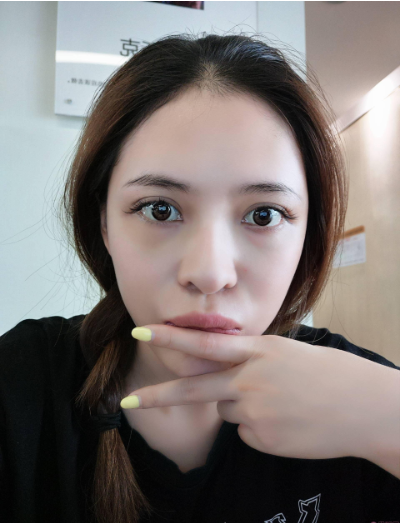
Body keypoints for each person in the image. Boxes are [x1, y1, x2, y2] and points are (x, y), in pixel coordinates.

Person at [1, 32, 399, 523]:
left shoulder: (358, 394)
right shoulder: (22, 383)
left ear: (308, 234)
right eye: (159, 209)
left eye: (263, 215)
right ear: (103, 223)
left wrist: (387, 418)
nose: (210, 274)